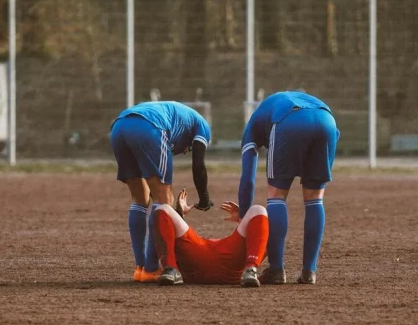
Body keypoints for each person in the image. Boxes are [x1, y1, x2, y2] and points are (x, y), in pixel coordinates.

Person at [237, 91, 339, 285]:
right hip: (328, 121)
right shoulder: (281, 102)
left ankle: (276, 270)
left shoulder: (252, 127)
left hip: (288, 120)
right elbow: (335, 134)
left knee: (276, 195)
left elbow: (248, 178)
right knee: (315, 197)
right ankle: (310, 271)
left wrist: (244, 214)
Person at [110, 101, 213, 283]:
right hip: (151, 127)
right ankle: (151, 268)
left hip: (119, 126)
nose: (185, 152)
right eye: (187, 150)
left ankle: (139, 268)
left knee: (139, 199)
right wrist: (204, 198)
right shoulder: (202, 126)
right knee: (164, 200)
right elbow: (198, 165)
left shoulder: (177, 116)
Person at [151, 189, 269, 287]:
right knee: (258, 210)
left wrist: (180, 215)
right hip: (231, 261)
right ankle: (251, 269)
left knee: (163, 209)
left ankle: (170, 269)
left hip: (195, 258)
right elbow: (255, 239)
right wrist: (243, 220)